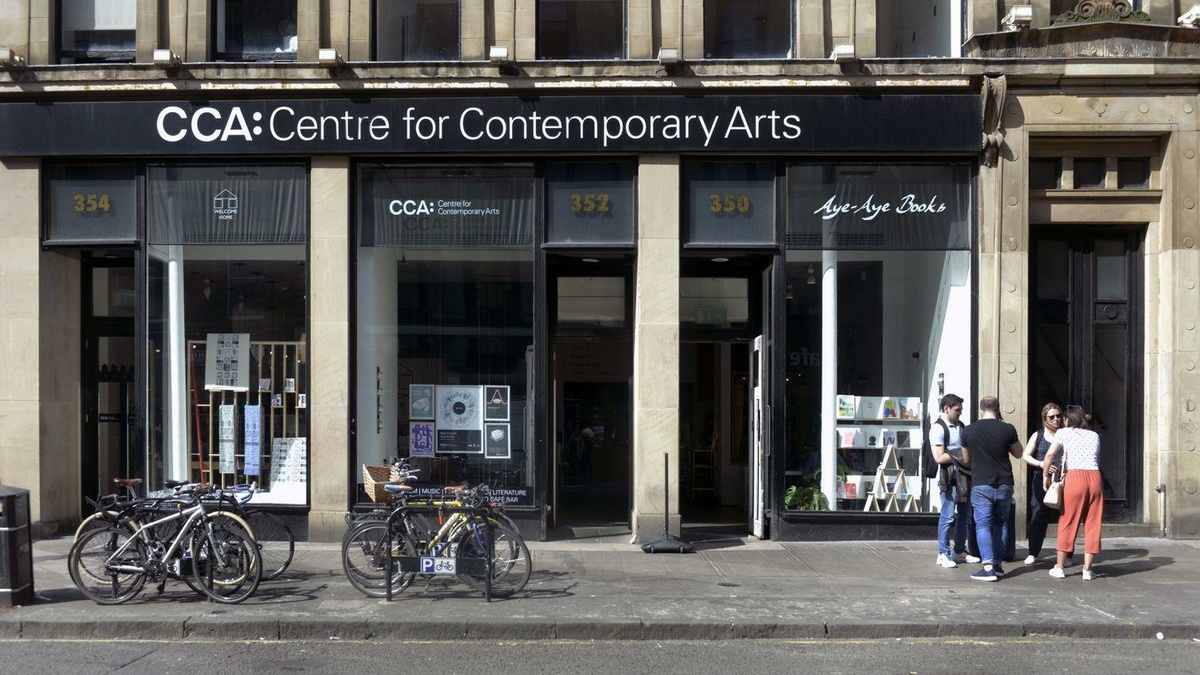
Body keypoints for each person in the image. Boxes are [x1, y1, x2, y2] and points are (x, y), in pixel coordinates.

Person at [961, 395, 1022, 581]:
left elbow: (966, 460)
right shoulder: (1008, 428)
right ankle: (996, 564)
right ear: (998, 409)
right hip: (1004, 482)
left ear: (981, 409)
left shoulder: (969, 430)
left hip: (981, 482)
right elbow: (1018, 453)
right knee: (1001, 523)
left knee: (983, 525)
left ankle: (987, 567)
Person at [1043, 404, 1103, 581]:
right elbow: (1096, 458)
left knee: (1068, 520)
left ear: (1068, 419)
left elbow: (1049, 455)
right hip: (1095, 477)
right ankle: (1087, 570)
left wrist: (1045, 476)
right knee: (1093, 523)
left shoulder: (1064, 433)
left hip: (1075, 477)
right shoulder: (1094, 435)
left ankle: (1060, 566)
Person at [931, 394, 979, 568]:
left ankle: (959, 551)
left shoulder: (960, 426)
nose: (960, 413)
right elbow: (939, 457)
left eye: (961, 410)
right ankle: (943, 553)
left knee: (965, 514)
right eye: (957, 410)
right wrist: (961, 454)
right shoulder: (938, 428)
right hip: (949, 478)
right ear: (946, 408)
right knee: (948, 515)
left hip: (964, 477)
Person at [1021, 402, 1070, 565]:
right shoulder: (1038, 435)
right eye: (1052, 417)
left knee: (1067, 517)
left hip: (1064, 480)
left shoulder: (1067, 434)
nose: (1056, 419)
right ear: (1045, 419)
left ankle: (1067, 554)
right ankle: (1033, 552)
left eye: (1058, 416)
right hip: (1041, 480)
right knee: (1038, 516)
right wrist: (1042, 464)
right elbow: (1026, 455)